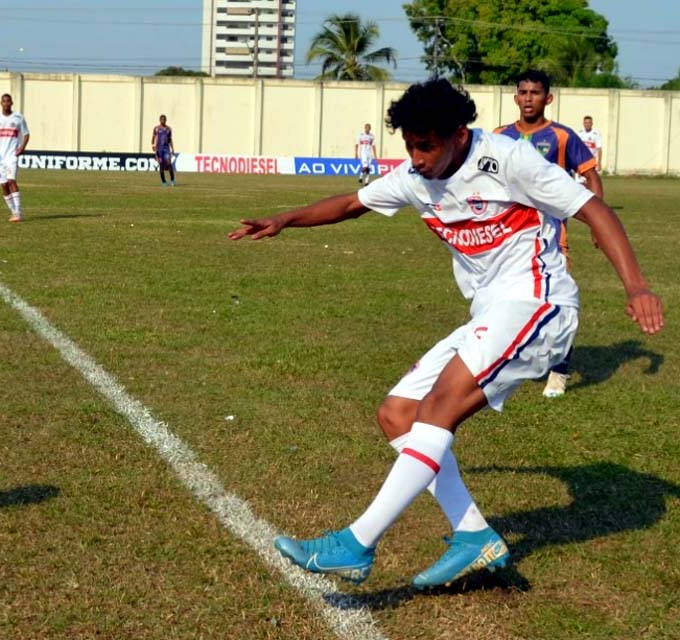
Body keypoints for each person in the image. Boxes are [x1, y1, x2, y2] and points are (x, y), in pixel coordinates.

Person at [228, 79, 662, 590]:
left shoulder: (508, 160)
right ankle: (474, 535)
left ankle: (355, 543)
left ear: (458, 134)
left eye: (426, 145)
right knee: (397, 414)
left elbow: (594, 209)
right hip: (489, 313)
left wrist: (636, 287)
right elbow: (352, 204)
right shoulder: (416, 177)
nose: (416, 157)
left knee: (438, 407)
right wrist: (283, 219)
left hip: (540, 303)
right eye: (409, 144)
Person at [495, 70, 603, 398]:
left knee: (557, 303)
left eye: (535, 93)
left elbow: (591, 177)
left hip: (552, 235)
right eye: (523, 92)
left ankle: (559, 371)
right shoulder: (499, 136)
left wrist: (600, 222)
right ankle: (507, 360)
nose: (528, 98)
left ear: (548, 98)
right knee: (506, 301)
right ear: (515, 97)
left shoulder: (562, 136)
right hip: (509, 237)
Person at [0, 93, 30, 222]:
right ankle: (13, 211)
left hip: (11, 156)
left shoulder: (18, 118)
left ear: (11, 103)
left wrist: (22, 148)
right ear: (1, 103)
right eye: (4, 101)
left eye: (8, 101)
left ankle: (18, 211)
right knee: (4, 185)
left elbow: (26, 134)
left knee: (11, 181)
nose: (6, 103)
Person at [152, 115, 176, 187]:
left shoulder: (169, 129)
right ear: (160, 120)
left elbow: (170, 140)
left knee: (169, 164)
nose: (163, 121)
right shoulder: (156, 128)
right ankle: (163, 182)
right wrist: (153, 146)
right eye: (162, 119)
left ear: (166, 120)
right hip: (159, 149)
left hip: (166, 149)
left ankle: (172, 179)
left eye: (164, 120)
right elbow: (153, 138)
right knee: (161, 166)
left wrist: (172, 148)